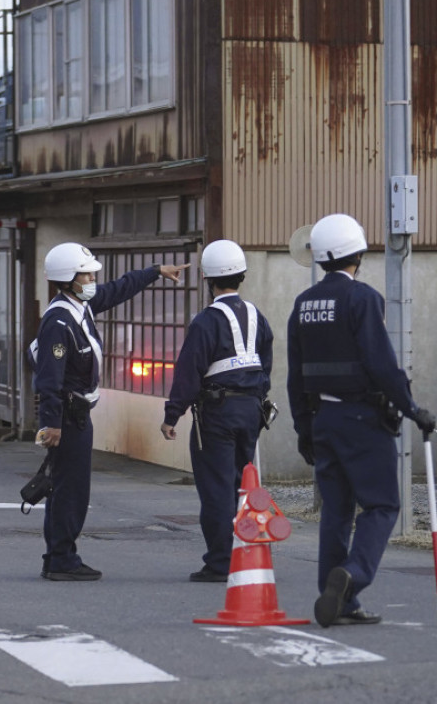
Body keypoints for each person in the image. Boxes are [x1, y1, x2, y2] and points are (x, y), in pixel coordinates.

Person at [287, 213, 436, 627]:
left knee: (337, 511)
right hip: (361, 419)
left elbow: (294, 374)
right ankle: (352, 577)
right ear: (357, 253)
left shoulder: (302, 305)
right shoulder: (364, 299)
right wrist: (412, 409)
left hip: (323, 419)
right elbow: (382, 364)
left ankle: (337, 600)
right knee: (383, 503)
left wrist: (304, 429)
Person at [34, 242, 188, 581]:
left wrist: (155, 272)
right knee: (70, 488)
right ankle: (61, 558)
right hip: (67, 417)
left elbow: (118, 290)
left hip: (77, 414)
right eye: (86, 274)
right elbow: (49, 378)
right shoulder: (59, 321)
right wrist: (51, 424)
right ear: (67, 278)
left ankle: (59, 555)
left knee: (70, 487)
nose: (92, 279)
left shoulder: (80, 307)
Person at [159, 240, 274, 582]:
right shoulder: (258, 317)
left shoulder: (206, 322)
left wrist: (171, 415)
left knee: (216, 487)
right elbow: (265, 365)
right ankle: (251, 552)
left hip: (217, 412)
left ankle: (221, 562)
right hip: (251, 409)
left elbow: (189, 371)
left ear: (208, 279)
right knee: (245, 484)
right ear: (242, 276)